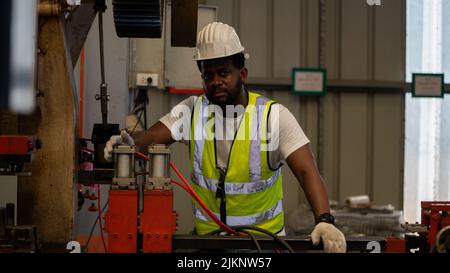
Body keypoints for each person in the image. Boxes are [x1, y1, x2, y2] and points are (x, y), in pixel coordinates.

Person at [105, 22, 346, 253]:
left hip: (262, 245)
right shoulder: (192, 112)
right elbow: (150, 137)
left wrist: (324, 220)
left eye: (223, 73)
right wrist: (126, 143)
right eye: (208, 75)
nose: (215, 82)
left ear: (243, 74)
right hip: (208, 244)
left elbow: (307, 170)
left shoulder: (273, 117)